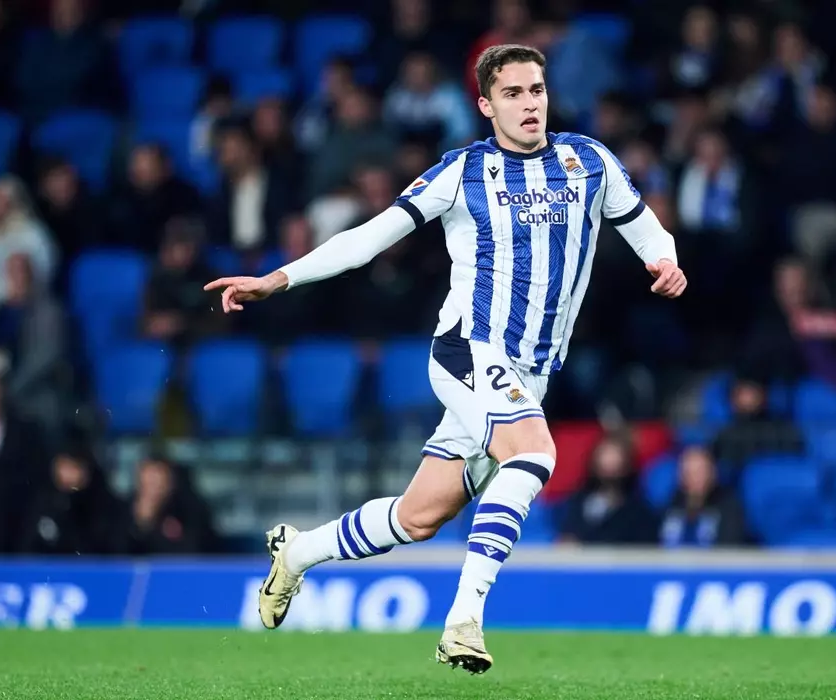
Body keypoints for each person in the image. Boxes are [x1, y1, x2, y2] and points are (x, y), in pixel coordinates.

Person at [204, 44, 686, 673]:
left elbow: (645, 228)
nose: (529, 104)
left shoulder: (588, 161)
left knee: (418, 517)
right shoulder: (462, 172)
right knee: (534, 454)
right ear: (486, 105)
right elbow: (368, 239)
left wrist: (665, 260)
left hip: (531, 372)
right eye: (512, 94)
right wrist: (277, 279)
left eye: (536, 90)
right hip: (469, 350)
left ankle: (295, 554)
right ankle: (463, 621)